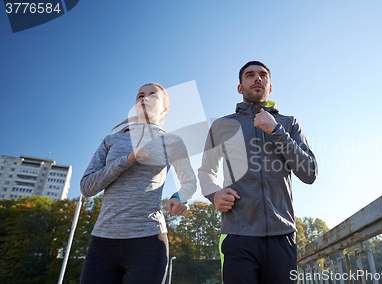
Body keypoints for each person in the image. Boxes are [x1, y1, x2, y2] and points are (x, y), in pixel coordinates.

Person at [199, 61, 318, 284]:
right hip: (238, 235)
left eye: (263, 75)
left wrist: (275, 130)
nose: (257, 78)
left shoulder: (288, 123)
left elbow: (309, 172)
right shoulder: (222, 126)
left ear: (270, 87)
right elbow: (206, 171)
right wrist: (214, 194)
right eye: (250, 75)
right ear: (240, 87)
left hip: (282, 236)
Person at [80, 83, 197, 284]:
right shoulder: (112, 140)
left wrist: (179, 197)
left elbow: (190, 182)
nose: (145, 98)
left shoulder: (172, 141)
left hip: (148, 241)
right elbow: (87, 187)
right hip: (103, 241)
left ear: (164, 109)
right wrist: (128, 159)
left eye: (153, 95)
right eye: (140, 95)